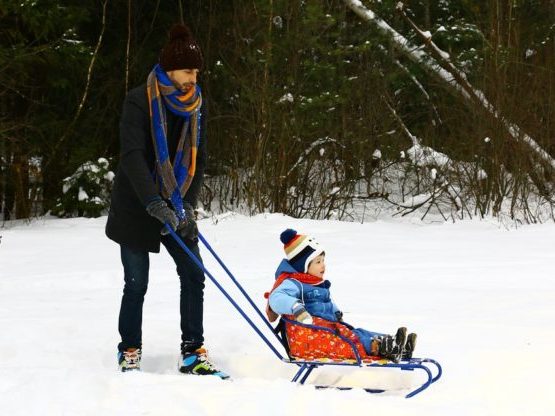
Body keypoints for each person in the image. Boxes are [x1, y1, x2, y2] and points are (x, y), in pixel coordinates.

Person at [106, 23, 227, 378]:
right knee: (136, 282)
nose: (193, 77)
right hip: (136, 204)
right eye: (188, 71)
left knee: (193, 273)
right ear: (171, 70)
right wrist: (153, 203)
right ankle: (129, 349)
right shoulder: (138, 100)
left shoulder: (195, 105)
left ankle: (193, 352)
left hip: (176, 201)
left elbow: (198, 159)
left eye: (196, 71)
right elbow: (132, 156)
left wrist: (185, 203)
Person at [265, 229, 417, 363]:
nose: (323, 265)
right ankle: (381, 347)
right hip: (310, 336)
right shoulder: (293, 283)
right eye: (318, 262)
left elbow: (326, 302)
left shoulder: (314, 283)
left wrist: (336, 312)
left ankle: (396, 345)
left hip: (325, 330)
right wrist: (295, 307)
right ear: (303, 266)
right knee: (352, 338)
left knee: (358, 332)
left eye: (323, 260)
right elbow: (276, 298)